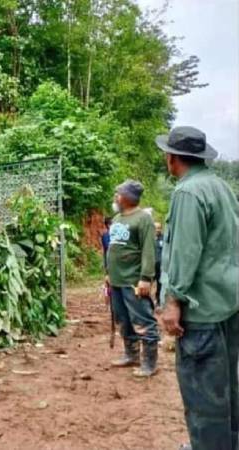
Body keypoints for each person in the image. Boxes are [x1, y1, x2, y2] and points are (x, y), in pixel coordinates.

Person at [156, 126, 239, 450]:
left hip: (202, 310)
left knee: (203, 392)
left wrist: (173, 299)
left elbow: (185, 250)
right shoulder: (221, 187)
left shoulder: (188, 192)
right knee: (226, 385)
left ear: (173, 158)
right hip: (228, 303)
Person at [106, 180, 158, 377]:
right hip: (116, 279)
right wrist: (108, 273)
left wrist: (146, 277)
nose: (115, 197)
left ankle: (150, 363)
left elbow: (148, 250)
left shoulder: (143, 219)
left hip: (134, 280)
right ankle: (131, 354)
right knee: (123, 319)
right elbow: (113, 248)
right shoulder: (117, 218)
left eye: (118, 194)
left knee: (143, 319)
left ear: (128, 197)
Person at [154, 222, 164, 305]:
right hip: (151, 265)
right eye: (155, 228)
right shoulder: (149, 238)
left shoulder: (164, 238)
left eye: (159, 228)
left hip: (160, 266)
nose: (157, 230)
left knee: (159, 283)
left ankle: (158, 300)